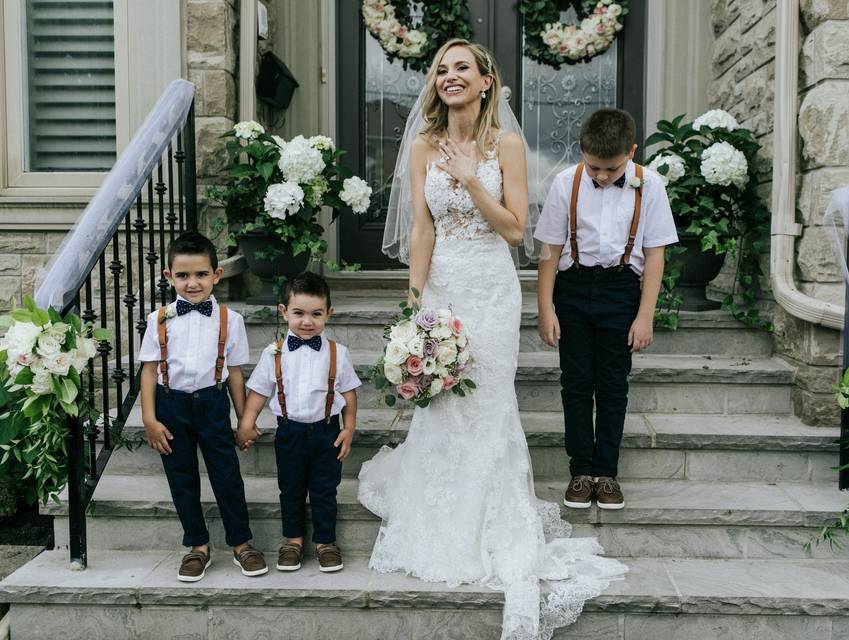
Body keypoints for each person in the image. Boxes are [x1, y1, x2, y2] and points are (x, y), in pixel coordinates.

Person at [360, 39, 626, 640]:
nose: (450, 76)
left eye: (462, 68)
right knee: (443, 403)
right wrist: (415, 300)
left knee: (484, 403)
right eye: (441, 69)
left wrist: (467, 178)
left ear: (486, 82)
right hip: (444, 288)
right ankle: (437, 514)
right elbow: (423, 228)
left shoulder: (505, 144)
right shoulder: (422, 145)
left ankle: (487, 516)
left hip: (490, 286)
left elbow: (513, 230)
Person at [534, 109, 679, 511]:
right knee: (576, 382)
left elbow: (655, 255)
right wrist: (545, 308)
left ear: (631, 152)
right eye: (593, 166)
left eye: (611, 169)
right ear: (581, 152)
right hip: (574, 288)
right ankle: (581, 470)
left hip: (621, 290)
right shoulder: (566, 183)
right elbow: (549, 250)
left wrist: (645, 314)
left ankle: (607, 472)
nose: (600, 175)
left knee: (614, 385)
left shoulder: (651, 186)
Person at [139, 231, 267, 582]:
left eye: (200, 274)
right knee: (181, 478)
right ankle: (197, 546)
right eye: (182, 275)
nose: (192, 283)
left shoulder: (231, 320)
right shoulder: (158, 319)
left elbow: (236, 374)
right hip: (170, 405)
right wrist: (149, 418)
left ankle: (241, 543)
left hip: (212, 402)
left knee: (227, 476)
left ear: (216, 275)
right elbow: (149, 370)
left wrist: (244, 420)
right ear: (168, 277)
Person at [237, 272, 361, 573]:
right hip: (289, 432)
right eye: (299, 313)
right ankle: (292, 541)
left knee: (324, 488)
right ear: (284, 312)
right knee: (290, 488)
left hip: (326, 432)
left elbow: (349, 393)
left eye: (316, 314)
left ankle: (325, 542)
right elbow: (258, 392)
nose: (307, 321)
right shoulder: (273, 353)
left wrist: (348, 428)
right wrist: (246, 423)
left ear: (328, 314)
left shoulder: (337, 353)